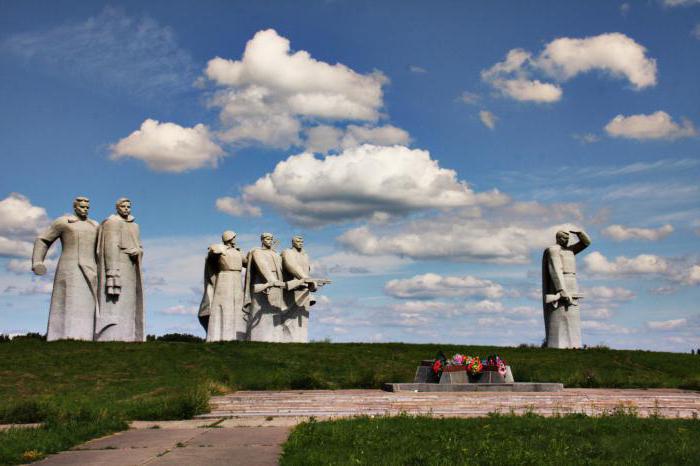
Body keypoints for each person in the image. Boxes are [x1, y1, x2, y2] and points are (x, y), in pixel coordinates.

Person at [32, 197, 99, 341]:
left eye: (87, 207)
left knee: (88, 304)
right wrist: (37, 261)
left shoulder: (94, 225)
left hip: (91, 268)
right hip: (69, 267)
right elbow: (43, 239)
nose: (85, 209)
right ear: (75, 207)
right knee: (67, 301)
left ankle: (86, 337)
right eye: (82, 207)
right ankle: (62, 337)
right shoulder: (64, 222)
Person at [96, 198, 145, 342]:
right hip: (118, 265)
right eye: (123, 206)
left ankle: (128, 335)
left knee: (129, 302)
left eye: (128, 206)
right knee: (115, 301)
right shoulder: (112, 223)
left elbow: (139, 246)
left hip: (131, 266)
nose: (126, 209)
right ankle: (112, 335)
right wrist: (112, 272)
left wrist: (138, 251)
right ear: (117, 208)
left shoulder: (135, 226)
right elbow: (110, 247)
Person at [542, 229, 591, 349]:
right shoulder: (553, 250)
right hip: (561, 281)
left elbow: (586, 243)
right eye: (564, 238)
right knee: (559, 314)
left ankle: (574, 344)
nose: (567, 240)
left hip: (572, 281)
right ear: (558, 238)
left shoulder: (570, 250)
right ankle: (558, 345)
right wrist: (561, 289)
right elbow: (555, 269)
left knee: (573, 314)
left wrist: (580, 233)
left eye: (568, 239)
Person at [199, 230, 247, 342]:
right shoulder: (220, 249)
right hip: (224, 278)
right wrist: (216, 249)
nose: (235, 240)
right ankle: (220, 336)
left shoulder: (237, 252)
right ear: (228, 238)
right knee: (224, 305)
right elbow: (211, 256)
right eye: (233, 237)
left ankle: (238, 336)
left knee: (238, 305)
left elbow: (247, 262)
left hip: (237, 278)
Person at [242, 232, 285, 342]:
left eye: (271, 238)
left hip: (276, 282)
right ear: (262, 240)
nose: (269, 240)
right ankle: (257, 338)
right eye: (267, 238)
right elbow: (263, 266)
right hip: (263, 281)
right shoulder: (257, 252)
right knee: (259, 312)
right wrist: (271, 280)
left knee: (274, 311)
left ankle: (275, 339)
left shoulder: (275, 254)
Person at [281, 235, 318, 343]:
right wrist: (306, 279)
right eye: (297, 241)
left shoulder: (305, 255)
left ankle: (301, 341)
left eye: (302, 241)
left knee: (302, 319)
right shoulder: (287, 252)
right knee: (288, 319)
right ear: (292, 242)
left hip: (304, 289)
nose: (300, 243)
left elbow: (307, 269)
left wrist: (309, 283)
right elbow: (291, 266)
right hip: (292, 290)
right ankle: (287, 341)